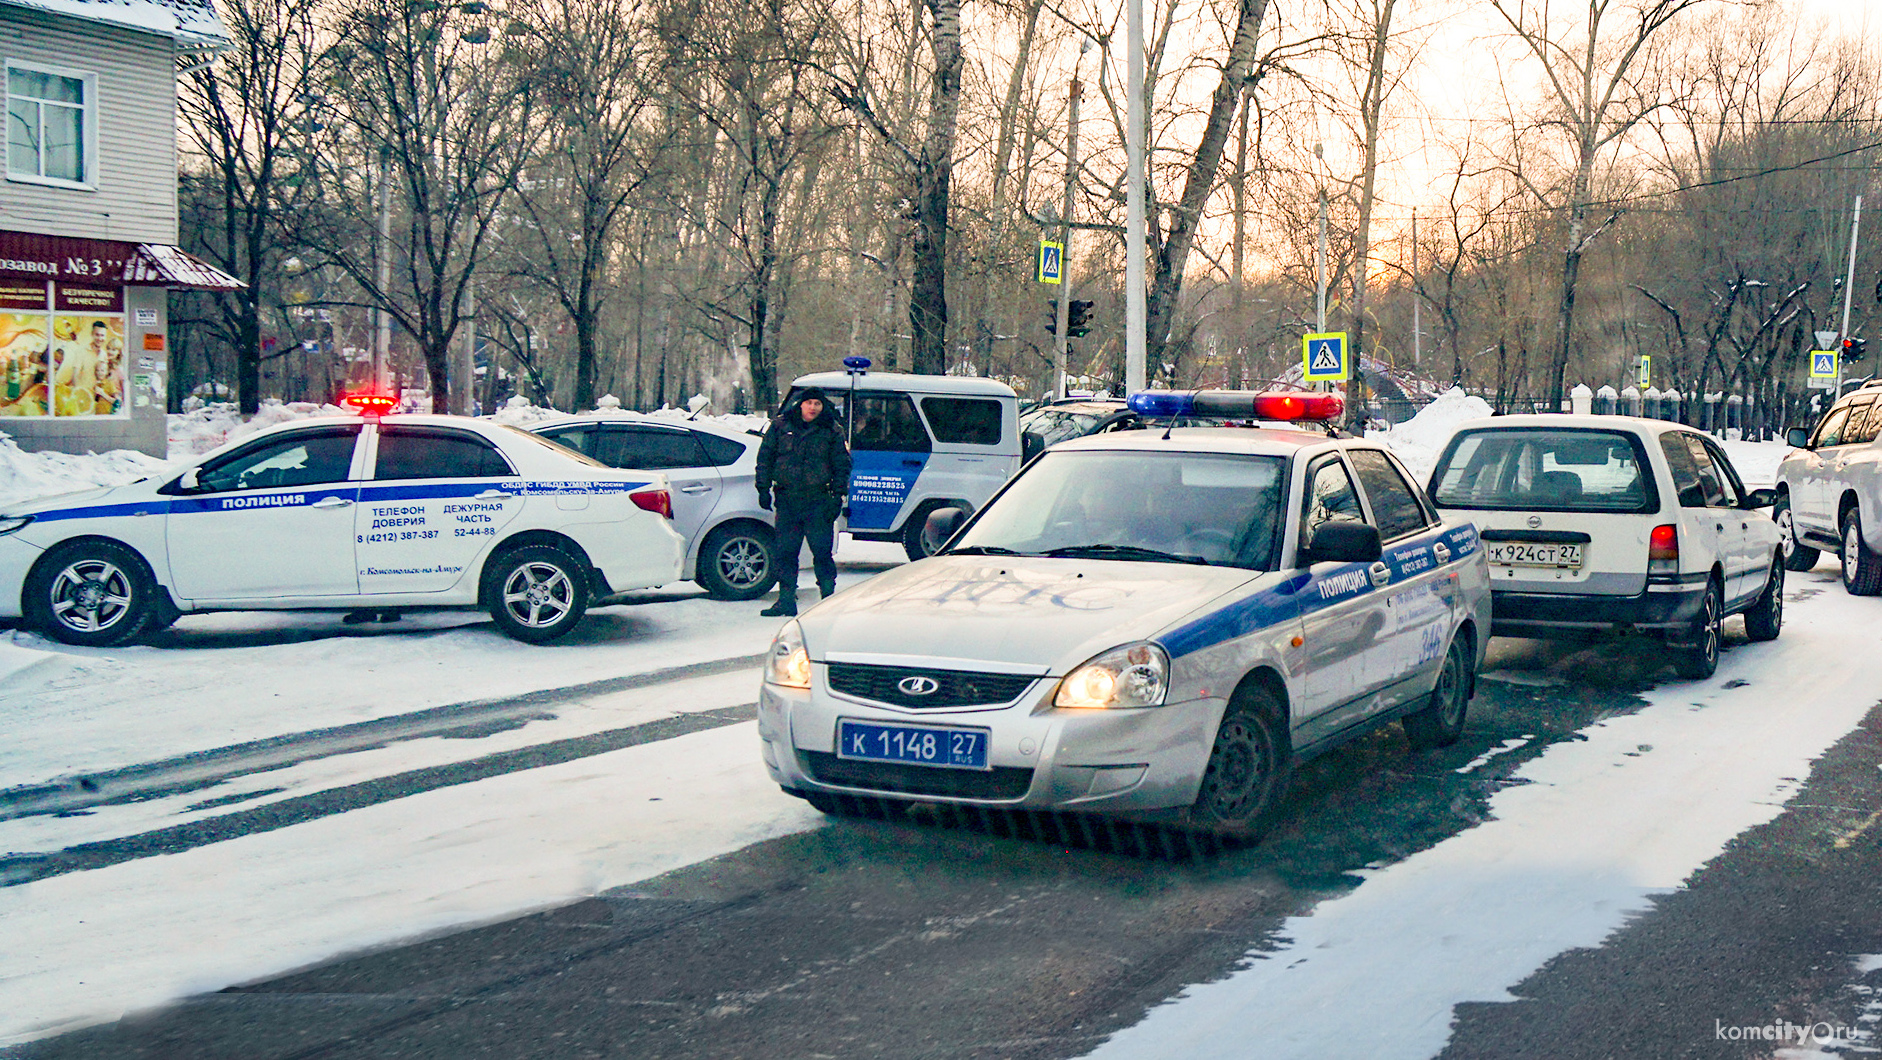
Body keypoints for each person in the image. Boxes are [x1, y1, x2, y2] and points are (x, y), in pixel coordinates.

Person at [755, 386, 851, 617]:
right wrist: (763, 488)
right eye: (809, 403)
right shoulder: (780, 426)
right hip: (788, 500)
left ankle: (828, 600)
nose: (813, 408)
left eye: (817, 404)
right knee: (786, 552)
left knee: (822, 553)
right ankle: (786, 600)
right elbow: (765, 457)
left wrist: (837, 495)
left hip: (819, 500)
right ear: (800, 404)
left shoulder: (831, 429)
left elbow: (842, 464)